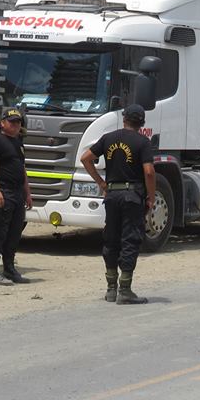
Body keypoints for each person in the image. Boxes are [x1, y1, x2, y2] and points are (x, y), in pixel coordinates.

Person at [79, 104, 157, 305]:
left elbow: (85, 158)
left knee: (111, 239)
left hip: (112, 195)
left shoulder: (108, 138)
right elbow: (149, 172)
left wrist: (101, 183)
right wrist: (151, 196)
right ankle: (125, 289)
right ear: (142, 123)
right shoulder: (143, 142)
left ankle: (111, 289)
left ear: (124, 119)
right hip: (132, 196)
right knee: (130, 239)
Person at [0, 108, 34, 286]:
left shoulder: (18, 143)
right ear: (2, 123)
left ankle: (10, 269)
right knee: (0, 233)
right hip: (3, 192)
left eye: (18, 122)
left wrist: (27, 193)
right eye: (12, 121)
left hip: (18, 193)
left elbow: (22, 169)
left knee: (14, 233)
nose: (15, 125)